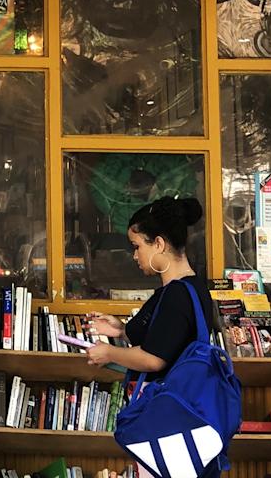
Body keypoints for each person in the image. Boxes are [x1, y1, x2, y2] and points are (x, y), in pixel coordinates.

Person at [84, 197, 220, 478]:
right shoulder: (188, 290)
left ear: (158, 244)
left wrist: (108, 353)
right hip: (186, 415)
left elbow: (154, 358)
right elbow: (167, 337)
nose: (134, 256)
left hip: (169, 421)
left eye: (137, 247)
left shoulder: (176, 296)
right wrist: (121, 329)